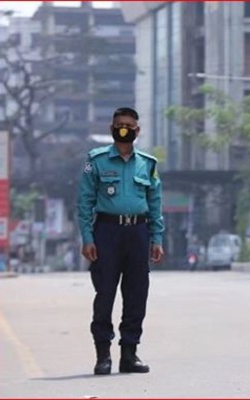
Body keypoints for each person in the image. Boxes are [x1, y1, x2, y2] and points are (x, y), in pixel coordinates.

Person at [77, 107, 164, 375]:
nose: (123, 128)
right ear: (111, 128)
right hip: (107, 232)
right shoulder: (96, 160)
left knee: (137, 294)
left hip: (138, 232)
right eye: (119, 124)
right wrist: (88, 237)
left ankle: (130, 353)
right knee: (105, 294)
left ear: (137, 131)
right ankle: (103, 354)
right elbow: (85, 201)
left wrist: (156, 238)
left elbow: (155, 203)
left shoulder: (147, 164)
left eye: (128, 125)